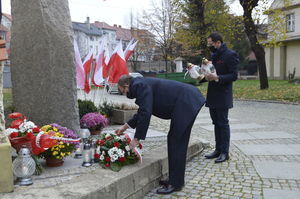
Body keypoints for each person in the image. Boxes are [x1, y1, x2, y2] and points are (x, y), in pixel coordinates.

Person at [115, 75, 205, 194]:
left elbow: (146, 112)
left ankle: (175, 184)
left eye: (123, 91)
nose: (125, 95)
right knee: (175, 141)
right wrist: (125, 127)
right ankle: (175, 179)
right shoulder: (140, 83)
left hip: (186, 101)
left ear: (126, 85)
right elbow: (143, 111)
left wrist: (137, 139)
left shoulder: (138, 85)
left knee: (176, 142)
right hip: (186, 100)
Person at [203, 32, 239, 163]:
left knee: (223, 123)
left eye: (210, 43)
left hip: (223, 94)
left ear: (218, 42)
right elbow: (212, 72)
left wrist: (218, 78)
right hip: (212, 93)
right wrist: (205, 76)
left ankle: (225, 152)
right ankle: (218, 150)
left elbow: (234, 75)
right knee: (215, 123)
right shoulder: (214, 55)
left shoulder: (230, 55)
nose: (209, 45)